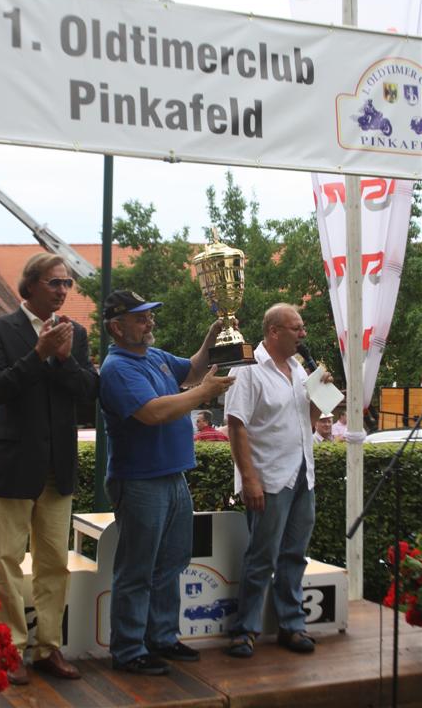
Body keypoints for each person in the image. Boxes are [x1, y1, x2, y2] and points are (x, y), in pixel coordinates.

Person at [0, 252, 99, 686]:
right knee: (6, 562)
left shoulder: (77, 334)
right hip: (12, 467)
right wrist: (38, 354)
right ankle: (8, 649)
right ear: (28, 287)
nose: (64, 291)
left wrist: (65, 359)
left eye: (67, 283)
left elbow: (89, 393)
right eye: (54, 283)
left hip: (58, 468)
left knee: (54, 564)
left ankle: (48, 648)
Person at [100, 289, 235, 676]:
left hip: (171, 475)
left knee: (172, 562)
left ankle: (160, 637)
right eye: (141, 318)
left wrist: (213, 337)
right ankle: (128, 650)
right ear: (117, 326)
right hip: (140, 480)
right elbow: (153, 412)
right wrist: (203, 393)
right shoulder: (118, 368)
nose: (150, 322)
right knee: (138, 569)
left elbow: (192, 370)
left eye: (149, 316)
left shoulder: (154, 357)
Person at [224, 303, 333, 657]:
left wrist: (320, 392)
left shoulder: (300, 370)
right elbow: (236, 425)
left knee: (294, 555)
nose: (303, 334)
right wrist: (249, 479)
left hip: (303, 475)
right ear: (274, 331)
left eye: (302, 328)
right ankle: (245, 630)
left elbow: (310, 420)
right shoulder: (248, 369)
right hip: (269, 477)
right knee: (262, 556)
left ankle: (292, 625)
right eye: (296, 328)